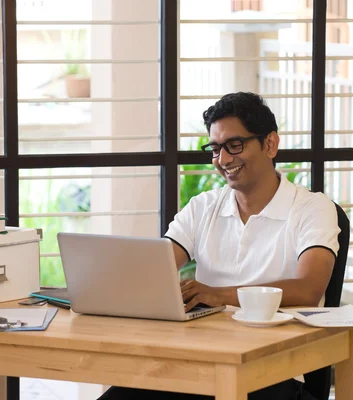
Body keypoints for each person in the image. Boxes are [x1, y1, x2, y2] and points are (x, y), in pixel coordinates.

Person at [98, 92, 340, 400]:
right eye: (215, 149)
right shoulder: (203, 207)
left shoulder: (312, 208)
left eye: (234, 145)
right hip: (199, 361)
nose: (223, 160)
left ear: (270, 144)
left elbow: (308, 289)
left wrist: (218, 296)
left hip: (272, 370)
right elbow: (156, 270)